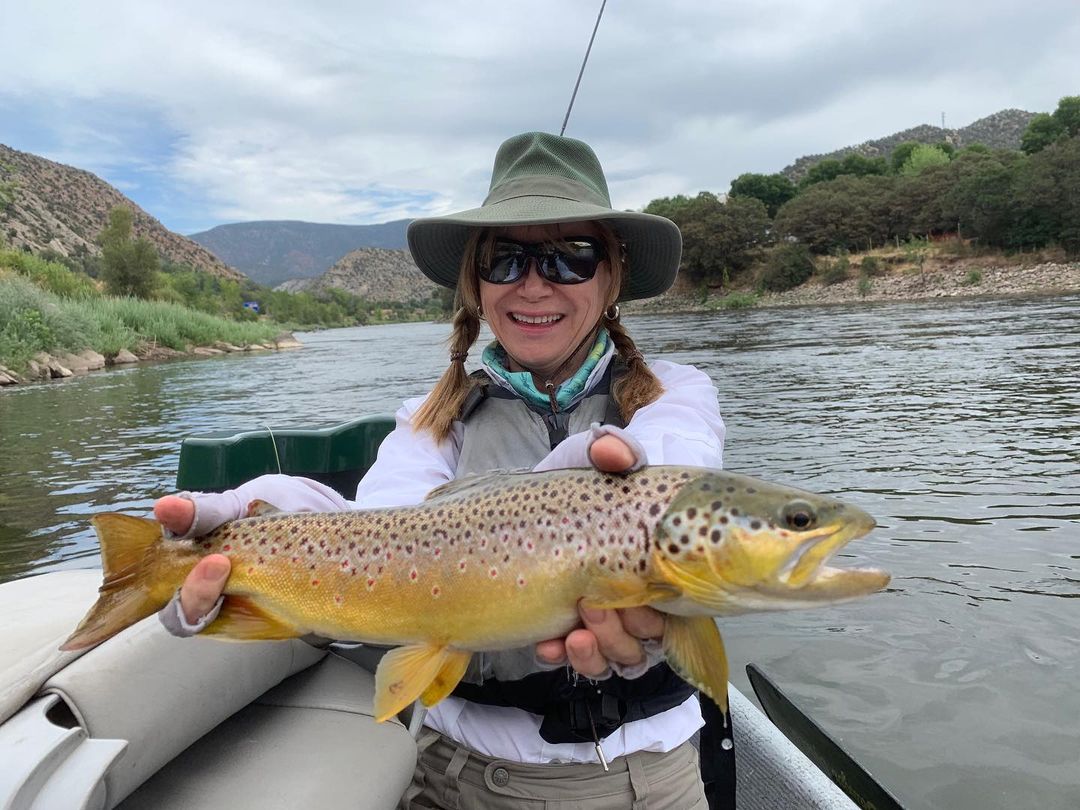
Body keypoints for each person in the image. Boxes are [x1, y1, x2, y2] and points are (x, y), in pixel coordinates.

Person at [154, 131, 730, 809]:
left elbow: (678, 465)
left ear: (611, 278)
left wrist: (604, 490)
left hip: (641, 782)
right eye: (506, 260)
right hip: (448, 772)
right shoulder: (429, 419)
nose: (535, 284)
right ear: (475, 285)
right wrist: (269, 513)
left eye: (571, 257)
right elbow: (383, 539)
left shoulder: (675, 395)